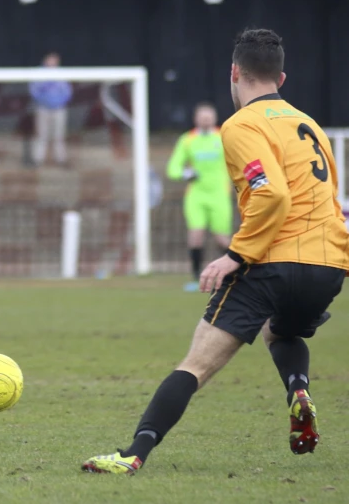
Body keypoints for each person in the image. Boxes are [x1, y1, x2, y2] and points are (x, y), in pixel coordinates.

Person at [82, 28, 349, 475]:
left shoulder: (241, 124)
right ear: (281, 78)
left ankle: (133, 454)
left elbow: (272, 196)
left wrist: (235, 256)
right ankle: (297, 389)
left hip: (273, 262)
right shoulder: (313, 127)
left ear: (234, 73)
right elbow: (330, 202)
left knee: (195, 365)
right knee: (282, 331)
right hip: (328, 266)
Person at [166, 102, 233, 292]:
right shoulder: (187, 140)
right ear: (196, 119)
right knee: (196, 236)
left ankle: (232, 276)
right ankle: (196, 278)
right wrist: (186, 174)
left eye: (208, 117)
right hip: (196, 196)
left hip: (219, 194)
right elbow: (173, 168)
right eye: (202, 117)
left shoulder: (224, 136)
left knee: (222, 239)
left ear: (214, 118)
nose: (205, 120)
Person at [29, 51, 72, 166]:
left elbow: (67, 92)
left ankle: (61, 159)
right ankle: (37, 160)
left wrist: (58, 102)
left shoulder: (62, 73)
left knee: (59, 136)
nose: (53, 62)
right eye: (50, 59)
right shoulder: (38, 73)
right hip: (43, 108)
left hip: (59, 109)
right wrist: (44, 101)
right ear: (46, 60)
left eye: (55, 60)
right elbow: (34, 90)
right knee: (41, 135)